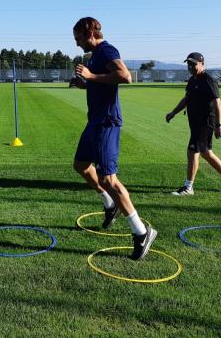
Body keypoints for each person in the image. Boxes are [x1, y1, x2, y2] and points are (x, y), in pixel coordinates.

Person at [70, 17, 157, 260]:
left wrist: (91, 76)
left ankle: (141, 232)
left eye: (78, 38)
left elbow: (125, 76)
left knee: (109, 178)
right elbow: (101, 83)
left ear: (89, 33)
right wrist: (84, 83)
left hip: (107, 122)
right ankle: (110, 203)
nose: (77, 44)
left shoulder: (107, 50)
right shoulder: (95, 55)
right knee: (81, 166)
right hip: (94, 121)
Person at [165, 52, 221, 195]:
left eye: (193, 64)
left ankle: (188, 187)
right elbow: (186, 99)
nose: (190, 66)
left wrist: (219, 125)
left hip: (205, 123)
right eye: (188, 64)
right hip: (195, 123)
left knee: (192, 151)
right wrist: (173, 112)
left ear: (202, 64)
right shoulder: (193, 80)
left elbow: (217, 102)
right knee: (206, 153)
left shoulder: (208, 80)